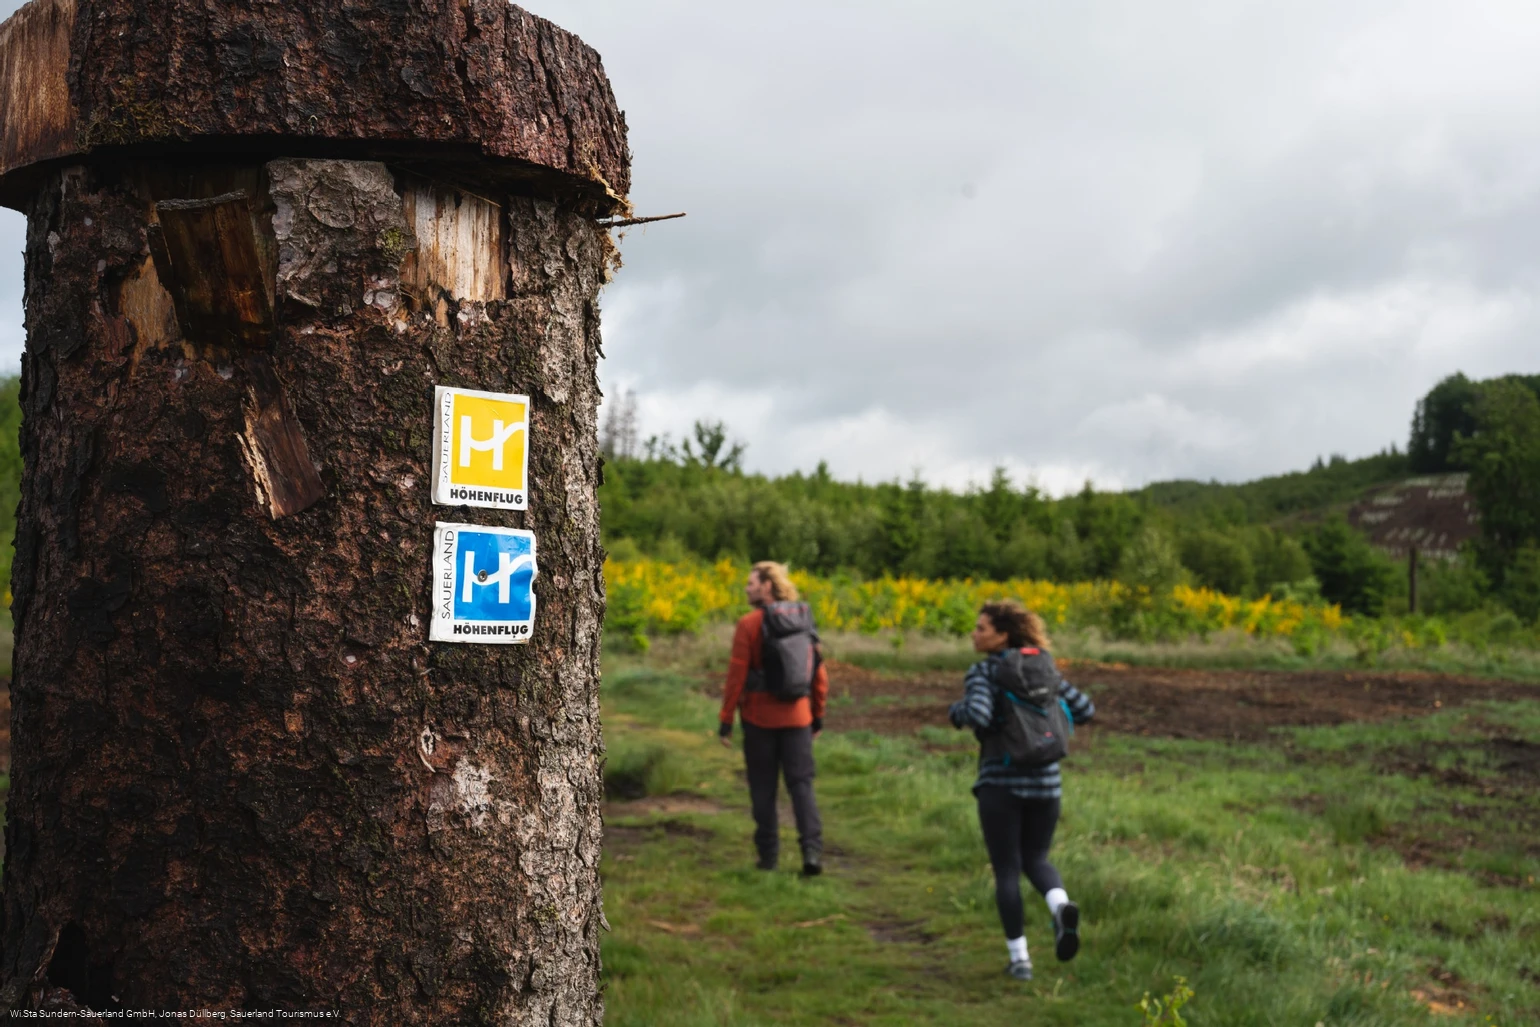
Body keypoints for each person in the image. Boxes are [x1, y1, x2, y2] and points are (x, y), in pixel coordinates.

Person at [949, 600, 1095, 982]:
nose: (974, 634)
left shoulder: (985, 671)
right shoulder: (1045, 668)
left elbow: (978, 714)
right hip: (1048, 784)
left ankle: (1020, 960)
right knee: (1038, 859)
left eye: (981, 628)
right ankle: (1060, 907)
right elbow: (1084, 709)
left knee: (1007, 870)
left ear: (1002, 635)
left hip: (1002, 784)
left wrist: (957, 712)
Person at [718, 561, 829, 876]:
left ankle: (768, 858)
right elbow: (819, 676)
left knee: (763, 788)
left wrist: (726, 720)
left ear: (768, 585)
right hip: (799, 719)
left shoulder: (749, 624)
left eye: (752, 583)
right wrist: (817, 715)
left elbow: (736, 677)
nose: (747, 588)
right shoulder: (803, 619)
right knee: (802, 785)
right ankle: (812, 853)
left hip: (759, 720)